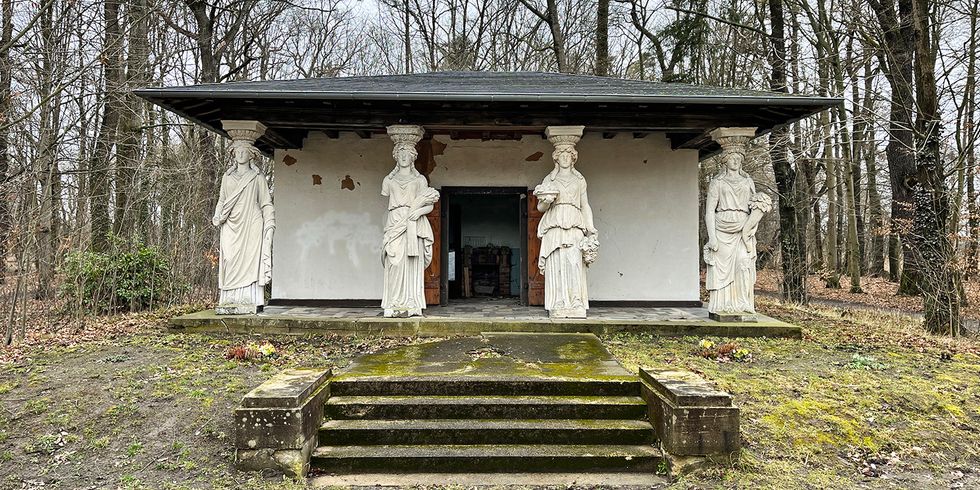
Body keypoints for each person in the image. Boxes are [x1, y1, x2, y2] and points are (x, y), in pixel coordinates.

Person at [533, 144, 598, 318]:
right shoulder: (550, 179)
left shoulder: (579, 180)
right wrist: (547, 201)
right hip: (555, 224)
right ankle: (558, 301)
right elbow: (540, 207)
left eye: (568, 155)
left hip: (575, 223)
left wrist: (590, 227)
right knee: (558, 263)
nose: (564, 158)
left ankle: (576, 300)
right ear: (556, 158)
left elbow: (585, 205)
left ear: (573, 158)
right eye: (561, 155)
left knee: (575, 263)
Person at [703, 146, 769, 315]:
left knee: (743, 264)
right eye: (732, 158)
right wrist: (712, 238)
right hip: (721, 227)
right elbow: (710, 211)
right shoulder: (717, 182)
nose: (735, 161)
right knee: (720, 270)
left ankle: (743, 303)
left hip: (742, 228)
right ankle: (721, 304)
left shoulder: (747, 182)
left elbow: (755, 206)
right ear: (725, 160)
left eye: (739, 158)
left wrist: (752, 226)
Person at [212, 139, 275, 311]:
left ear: (250, 155)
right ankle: (229, 299)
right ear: (233, 154)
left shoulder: (257, 177)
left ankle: (250, 299)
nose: (240, 154)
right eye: (237, 151)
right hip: (231, 223)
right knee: (229, 258)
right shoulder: (227, 177)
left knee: (251, 259)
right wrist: (217, 215)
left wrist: (270, 223)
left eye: (244, 151)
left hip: (252, 222)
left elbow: (266, 203)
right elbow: (222, 200)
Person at [381, 141, 439, 317]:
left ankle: (412, 302)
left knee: (412, 261)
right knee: (393, 260)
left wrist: (418, 211)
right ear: (396, 157)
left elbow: (429, 205)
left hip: (414, 222)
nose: (404, 157)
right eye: (401, 154)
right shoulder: (388, 180)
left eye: (407, 154)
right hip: (395, 221)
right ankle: (392, 303)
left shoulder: (419, 180)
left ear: (413, 158)